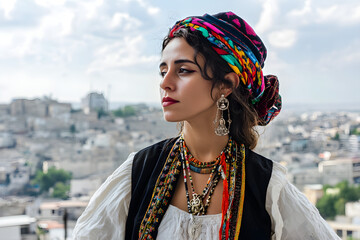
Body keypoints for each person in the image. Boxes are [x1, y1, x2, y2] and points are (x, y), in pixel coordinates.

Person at [73, 12, 340, 240]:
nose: (165, 83)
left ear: (226, 85)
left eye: (184, 70)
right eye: (163, 70)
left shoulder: (266, 185)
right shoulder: (139, 171)